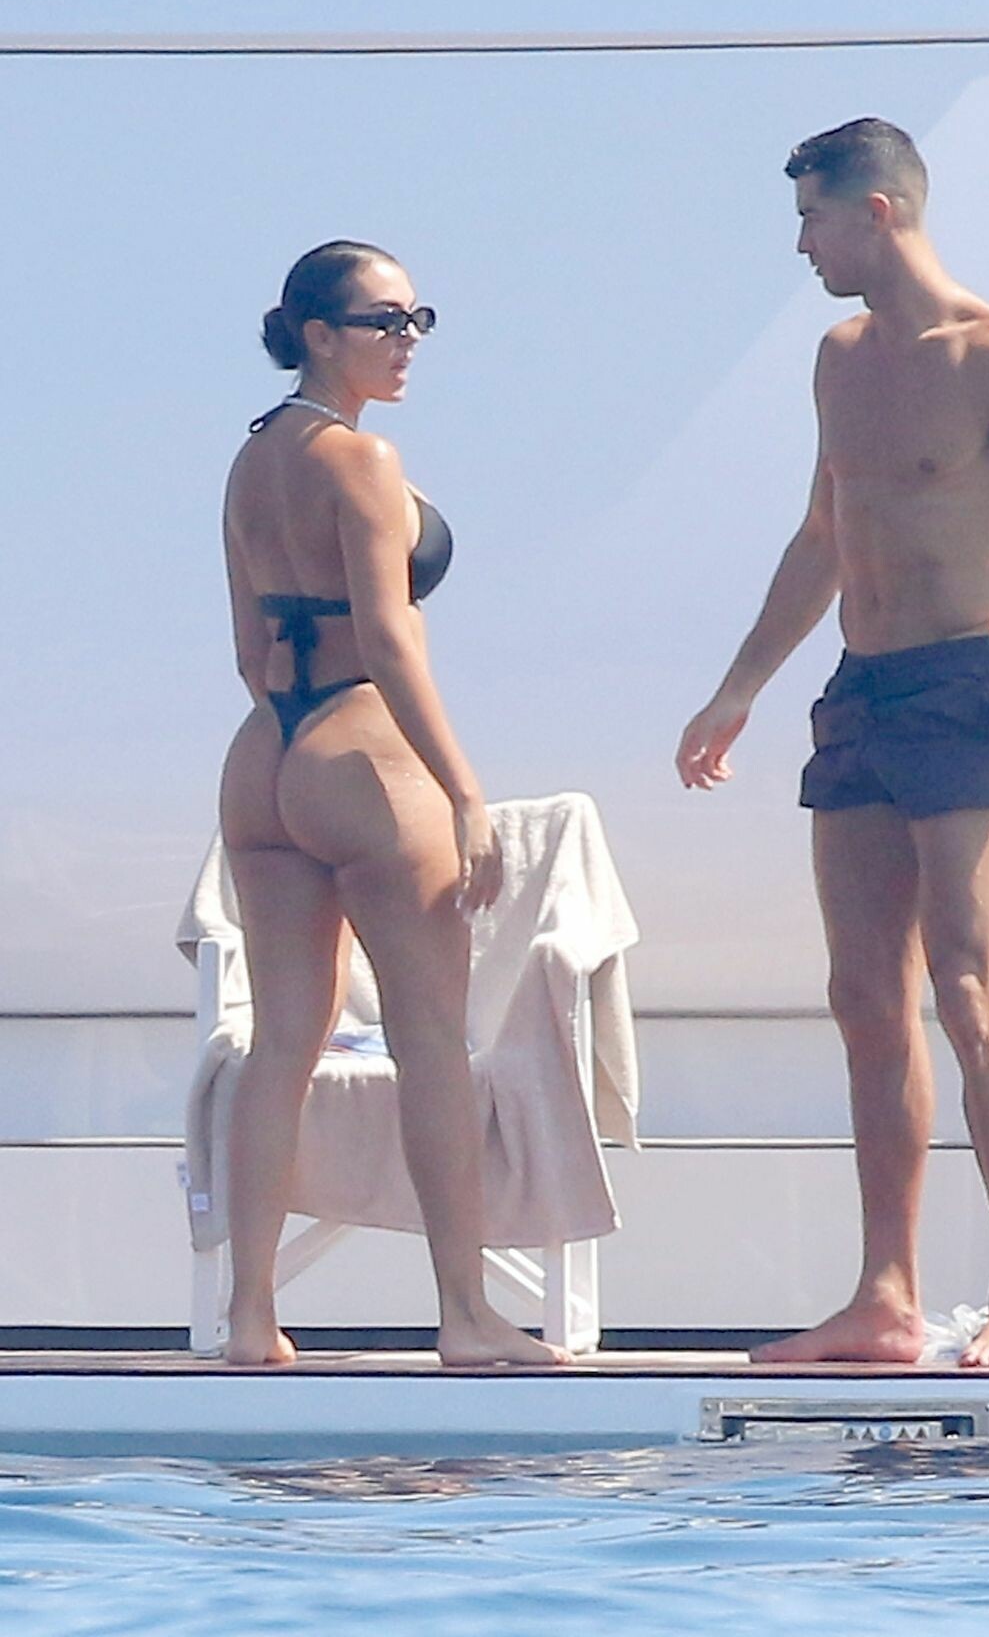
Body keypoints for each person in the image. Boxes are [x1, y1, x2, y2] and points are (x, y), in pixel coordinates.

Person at [675, 120, 989, 1370]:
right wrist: (738, 688)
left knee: (969, 992)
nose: (802, 248)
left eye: (812, 220)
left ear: (875, 212)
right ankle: (883, 1296)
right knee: (863, 997)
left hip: (965, 684)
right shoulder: (839, 358)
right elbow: (824, 534)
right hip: (860, 690)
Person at [219, 239, 568, 1369]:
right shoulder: (362, 460)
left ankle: (249, 1317)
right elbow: (388, 638)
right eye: (383, 321)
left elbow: (247, 649)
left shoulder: (252, 458)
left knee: (281, 1044)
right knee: (430, 1044)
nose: (407, 339)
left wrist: (299, 739)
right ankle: (466, 1315)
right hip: (362, 754)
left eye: (418, 318)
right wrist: (463, 791)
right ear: (319, 334)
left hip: (264, 758)